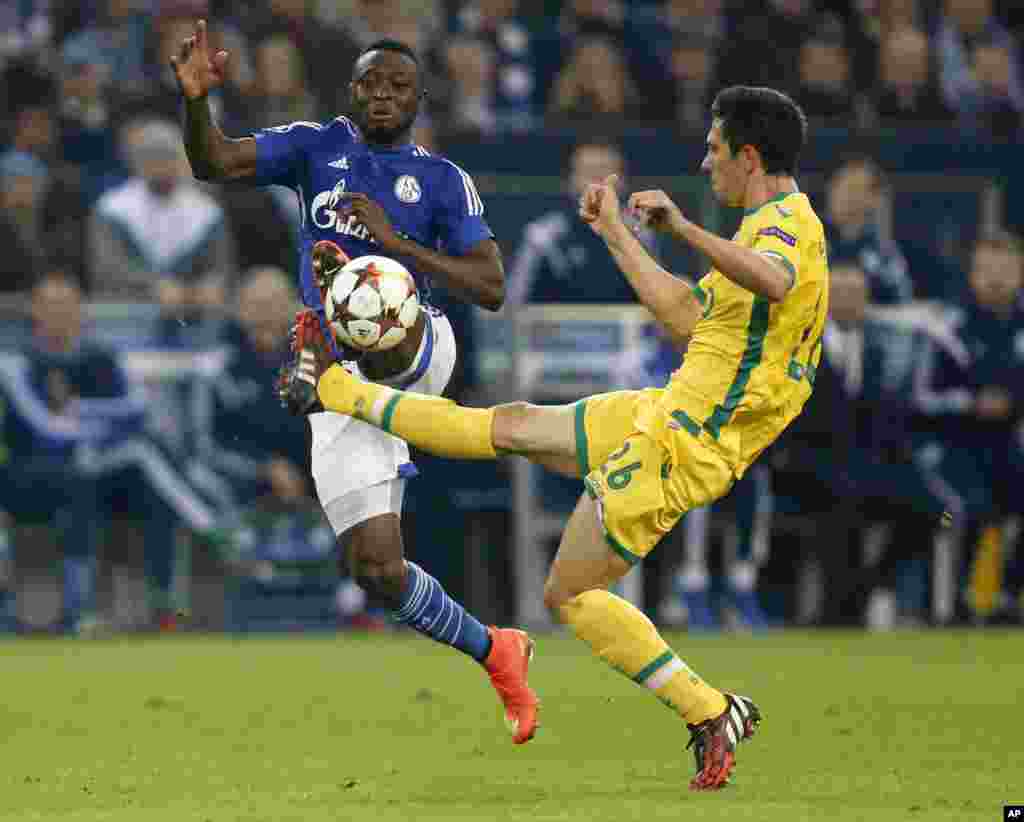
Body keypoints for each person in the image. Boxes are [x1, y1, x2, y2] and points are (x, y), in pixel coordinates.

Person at [283, 86, 829, 790]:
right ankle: (335, 388)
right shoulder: (762, 230)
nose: (705, 161)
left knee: (570, 593)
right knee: (508, 426)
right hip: (666, 409)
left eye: (715, 150)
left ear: (748, 157)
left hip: (689, 441)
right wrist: (617, 234)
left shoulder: (785, 224)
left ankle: (709, 709)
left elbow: (778, 281)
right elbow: (688, 318)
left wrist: (686, 230)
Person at [170, 23, 537, 743]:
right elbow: (214, 161)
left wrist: (398, 245)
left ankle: (325, 342)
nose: (383, 96)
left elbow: (491, 286)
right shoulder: (315, 146)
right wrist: (193, 105)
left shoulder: (439, 180)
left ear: (419, 100)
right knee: (376, 568)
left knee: (370, 291)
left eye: (399, 87)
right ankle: (498, 651)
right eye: (372, 83)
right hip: (339, 383)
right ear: (353, 90)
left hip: (418, 349)